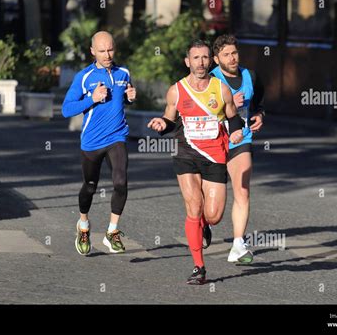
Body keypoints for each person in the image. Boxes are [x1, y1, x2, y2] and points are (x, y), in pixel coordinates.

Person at [148, 40, 244, 285]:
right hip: (186, 154)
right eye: (195, 58)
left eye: (204, 58)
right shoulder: (177, 90)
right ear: (187, 61)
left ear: (210, 60)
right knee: (193, 206)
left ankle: (205, 224)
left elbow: (234, 118)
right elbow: (169, 119)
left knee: (213, 215)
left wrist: (235, 132)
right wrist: (162, 125)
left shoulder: (221, 89)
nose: (200, 63)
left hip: (214, 156)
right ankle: (198, 267)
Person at [62, 31, 136, 255]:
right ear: (92, 51)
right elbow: (66, 109)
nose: (107, 54)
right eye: (102, 51)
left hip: (117, 136)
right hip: (92, 141)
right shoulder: (84, 77)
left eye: (111, 49)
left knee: (121, 182)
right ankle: (83, 224)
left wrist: (130, 97)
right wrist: (91, 98)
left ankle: (112, 231)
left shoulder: (123, 73)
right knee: (90, 186)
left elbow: (123, 98)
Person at [210, 34, 265, 264]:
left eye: (234, 53)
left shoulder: (250, 76)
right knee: (213, 213)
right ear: (216, 59)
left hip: (240, 140)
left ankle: (238, 244)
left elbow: (259, 103)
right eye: (226, 55)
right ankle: (204, 224)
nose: (232, 58)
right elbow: (199, 111)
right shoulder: (210, 80)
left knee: (242, 190)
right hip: (212, 142)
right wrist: (228, 102)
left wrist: (260, 115)